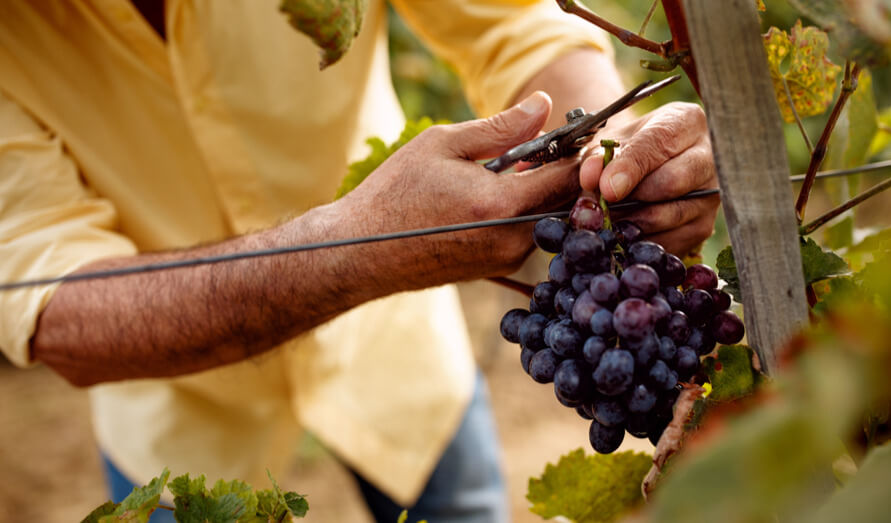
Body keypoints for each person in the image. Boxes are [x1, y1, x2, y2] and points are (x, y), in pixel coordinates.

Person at [0, 1, 718, 521]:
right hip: (180, 417)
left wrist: (613, 148)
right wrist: (365, 244)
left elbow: (512, 21)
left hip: (400, 371)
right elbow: (54, 305)